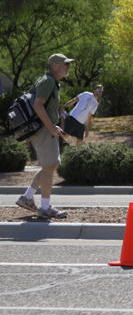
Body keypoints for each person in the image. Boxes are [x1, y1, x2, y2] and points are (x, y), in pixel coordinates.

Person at [14, 53, 74, 219]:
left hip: (44, 129)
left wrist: (55, 122)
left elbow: (44, 107)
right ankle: (45, 208)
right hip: (43, 130)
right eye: (65, 64)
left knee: (50, 166)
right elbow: (38, 105)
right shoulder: (48, 81)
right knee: (50, 166)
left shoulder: (50, 81)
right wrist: (51, 127)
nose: (68, 67)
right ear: (55, 65)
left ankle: (27, 197)